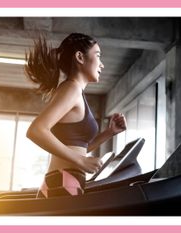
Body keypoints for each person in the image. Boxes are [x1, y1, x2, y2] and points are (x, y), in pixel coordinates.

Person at [24, 33, 127, 198]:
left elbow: (78, 147)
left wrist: (110, 132)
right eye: (98, 56)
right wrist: (81, 161)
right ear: (80, 57)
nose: (102, 65)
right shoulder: (71, 89)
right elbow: (36, 130)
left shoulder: (75, 91)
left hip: (66, 180)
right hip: (63, 182)